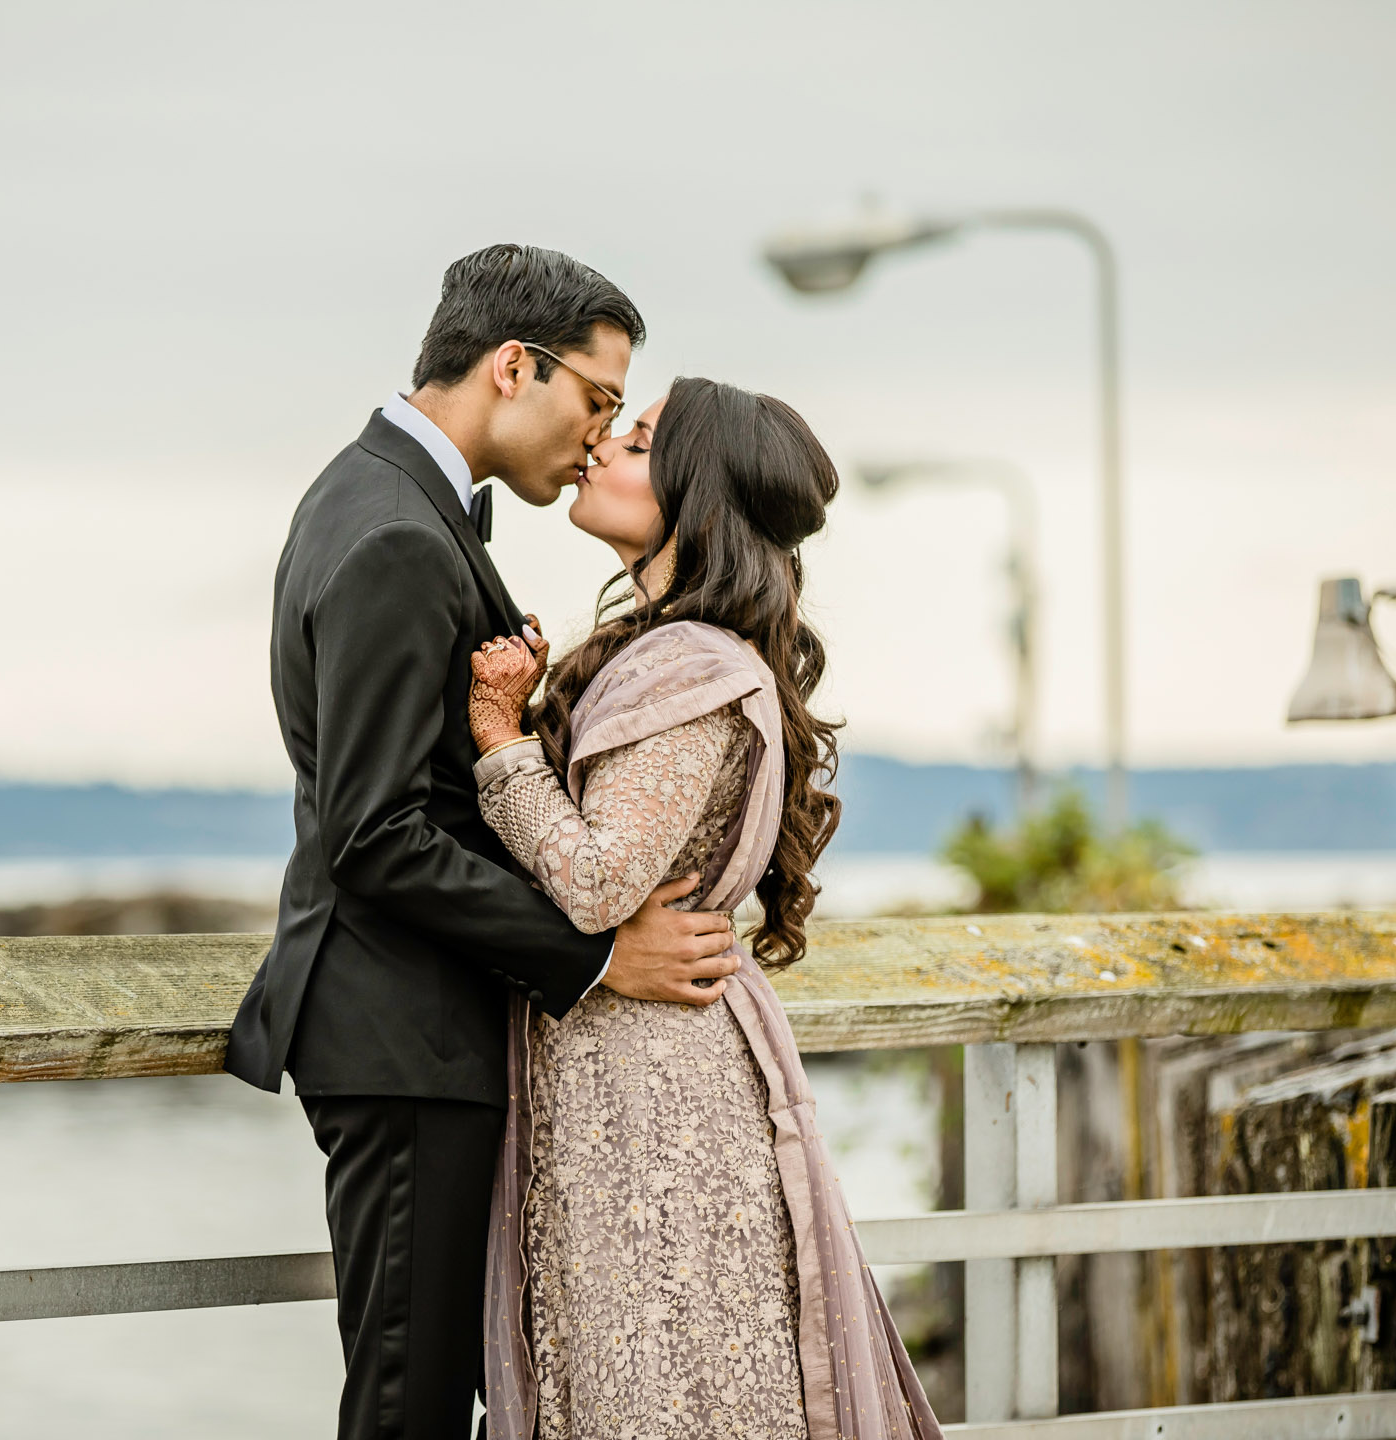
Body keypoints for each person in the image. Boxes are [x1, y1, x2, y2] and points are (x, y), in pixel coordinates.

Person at [224, 245, 742, 1440]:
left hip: (414, 1030)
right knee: (409, 1405)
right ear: (516, 366)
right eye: (599, 401)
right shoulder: (399, 532)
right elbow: (377, 833)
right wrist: (604, 959)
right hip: (402, 1034)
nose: (599, 437)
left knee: (430, 1389)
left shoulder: (380, 498)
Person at [466, 377, 944, 1440]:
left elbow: (594, 880)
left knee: (661, 1385)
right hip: (635, 1068)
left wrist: (500, 740)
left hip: (653, 1095)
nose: (599, 449)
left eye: (635, 440)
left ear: (697, 494)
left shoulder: (690, 667)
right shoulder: (673, 652)